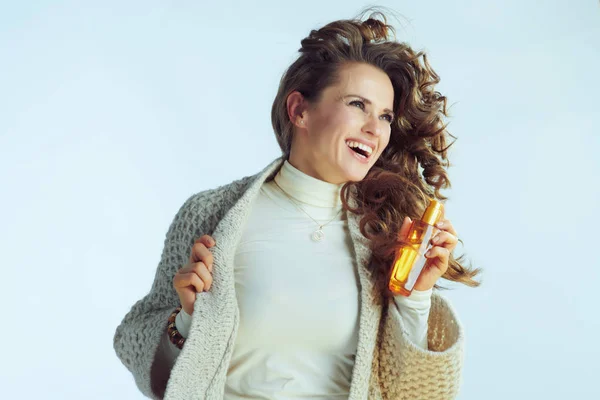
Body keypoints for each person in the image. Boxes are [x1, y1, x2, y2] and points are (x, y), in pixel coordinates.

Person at [113, 9, 481, 400]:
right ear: (299, 110)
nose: (375, 129)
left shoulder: (388, 233)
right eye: (358, 105)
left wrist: (415, 298)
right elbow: (150, 369)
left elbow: (416, 393)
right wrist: (185, 321)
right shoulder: (212, 215)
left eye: (386, 116)